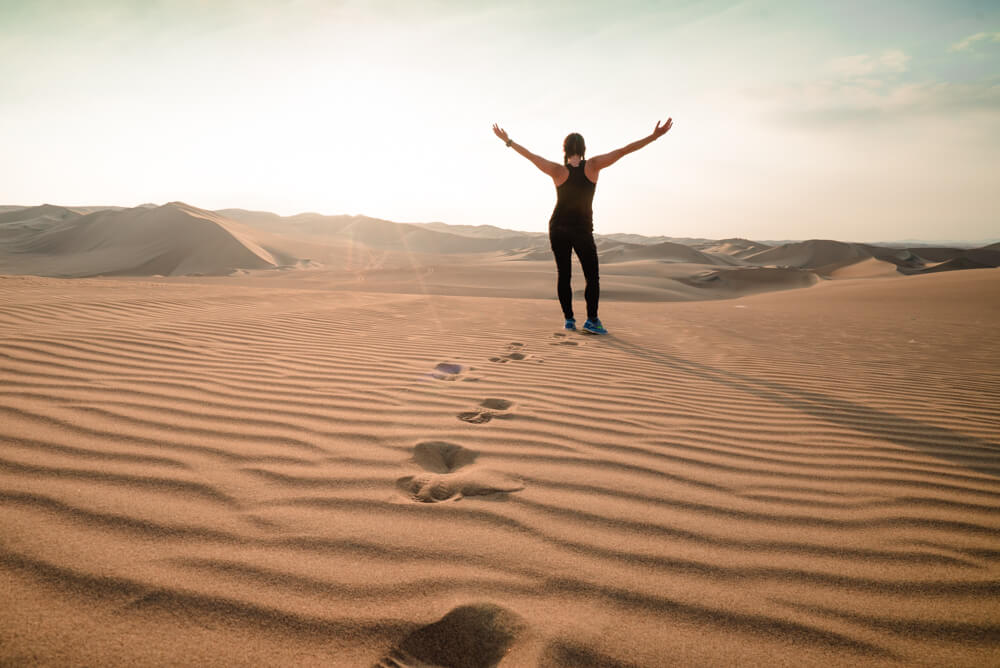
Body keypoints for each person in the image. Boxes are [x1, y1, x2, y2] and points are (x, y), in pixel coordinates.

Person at [492, 119, 673, 334]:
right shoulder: (593, 165)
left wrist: (508, 141)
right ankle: (592, 320)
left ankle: (569, 320)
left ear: (565, 149)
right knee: (592, 276)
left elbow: (531, 156)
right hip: (581, 229)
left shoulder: (557, 170)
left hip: (557, 226)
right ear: (583, 148)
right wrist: (654, 136)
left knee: (564, 274)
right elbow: (625, 150)